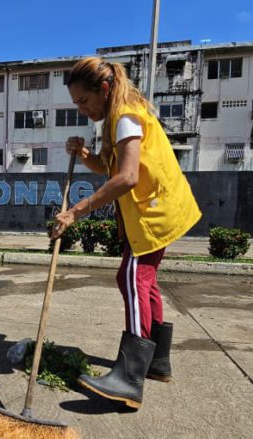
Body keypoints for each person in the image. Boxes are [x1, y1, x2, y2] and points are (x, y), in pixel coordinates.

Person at [51, 56, 202, 410]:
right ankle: (157, 362)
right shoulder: (121, 115)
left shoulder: (126, 117)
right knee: (141, 280)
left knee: (132, 279)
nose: (82, 109)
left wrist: (76, 211)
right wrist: (85, 153)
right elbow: (109, 166)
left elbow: (127, 177)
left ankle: (129, 378)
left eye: (84, 101)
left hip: (154, 213)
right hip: (160, 210)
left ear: (104, 89)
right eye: (76, 104)